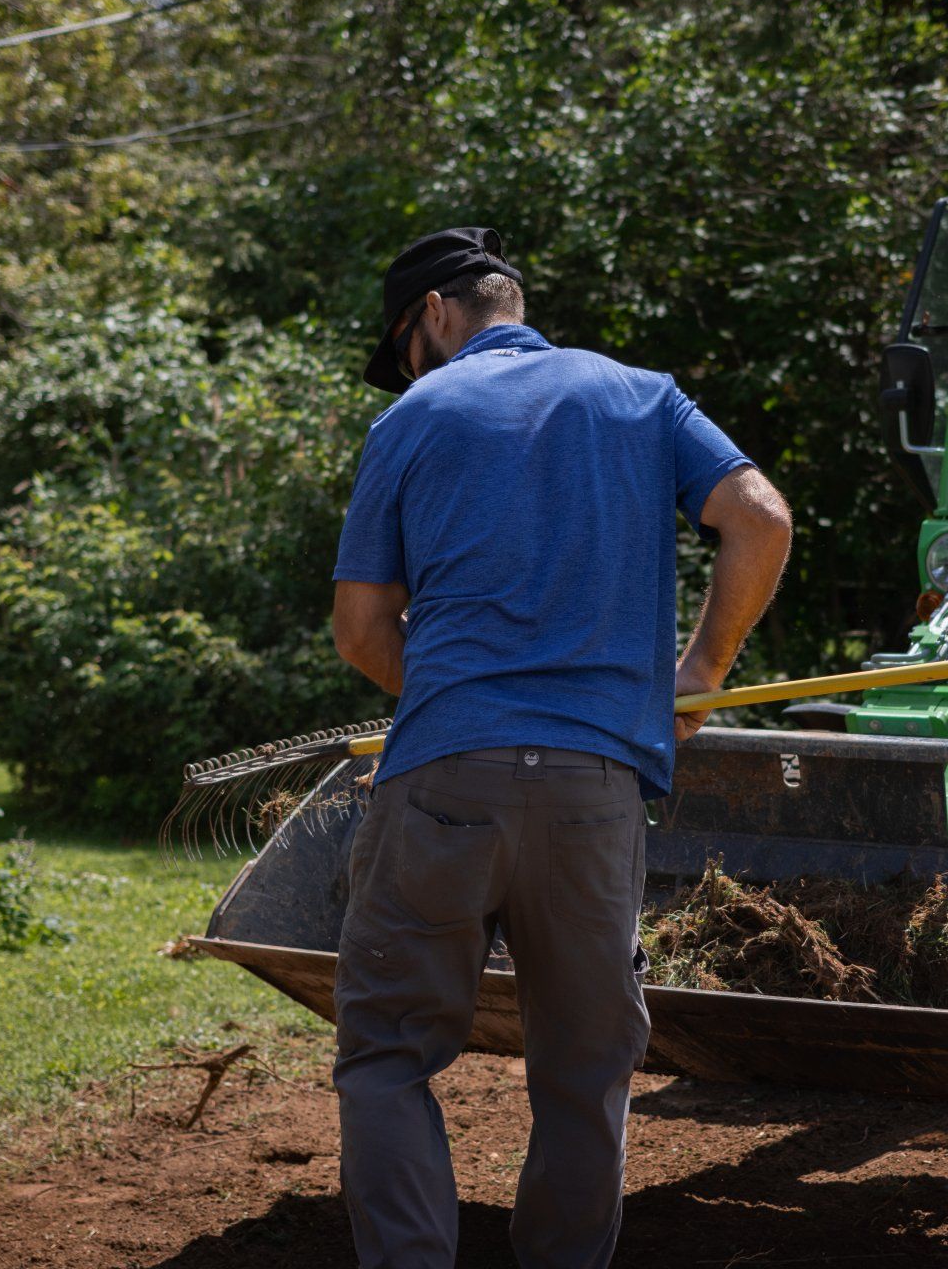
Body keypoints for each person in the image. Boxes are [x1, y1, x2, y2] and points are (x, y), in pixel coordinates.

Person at [329, 226, 792, 1268]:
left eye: (406, 341)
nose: (411, 364)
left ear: (438, 314)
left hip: (445, 775)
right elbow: (760, 517)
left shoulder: (415, 414)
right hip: (597, 787)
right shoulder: (643, 395)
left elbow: (361, 630)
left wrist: (461, 694)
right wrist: (702, 671)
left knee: (389, 1056)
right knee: (586, 1069)